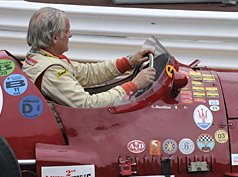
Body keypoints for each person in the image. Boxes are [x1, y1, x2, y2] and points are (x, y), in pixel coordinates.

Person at [22, 7, 156, 108]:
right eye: (67, 31)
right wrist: (134, 85)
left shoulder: (40, 55)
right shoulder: (51, 71)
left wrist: (128, 62)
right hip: (69, 127)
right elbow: (87, 105)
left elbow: (87, 73)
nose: (70, 35)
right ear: (55, 37)